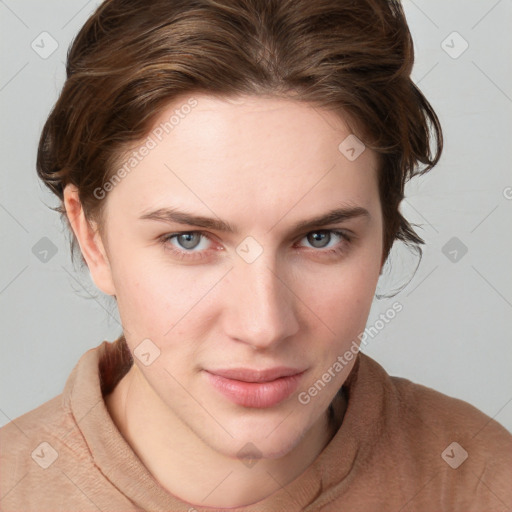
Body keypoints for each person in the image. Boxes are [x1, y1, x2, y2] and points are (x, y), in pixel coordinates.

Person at [1, 0, 511, 510]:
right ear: (93, 239)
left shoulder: (487, 480)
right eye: (190, 239)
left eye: (320, 238)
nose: (264, 327)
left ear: (385, 237)